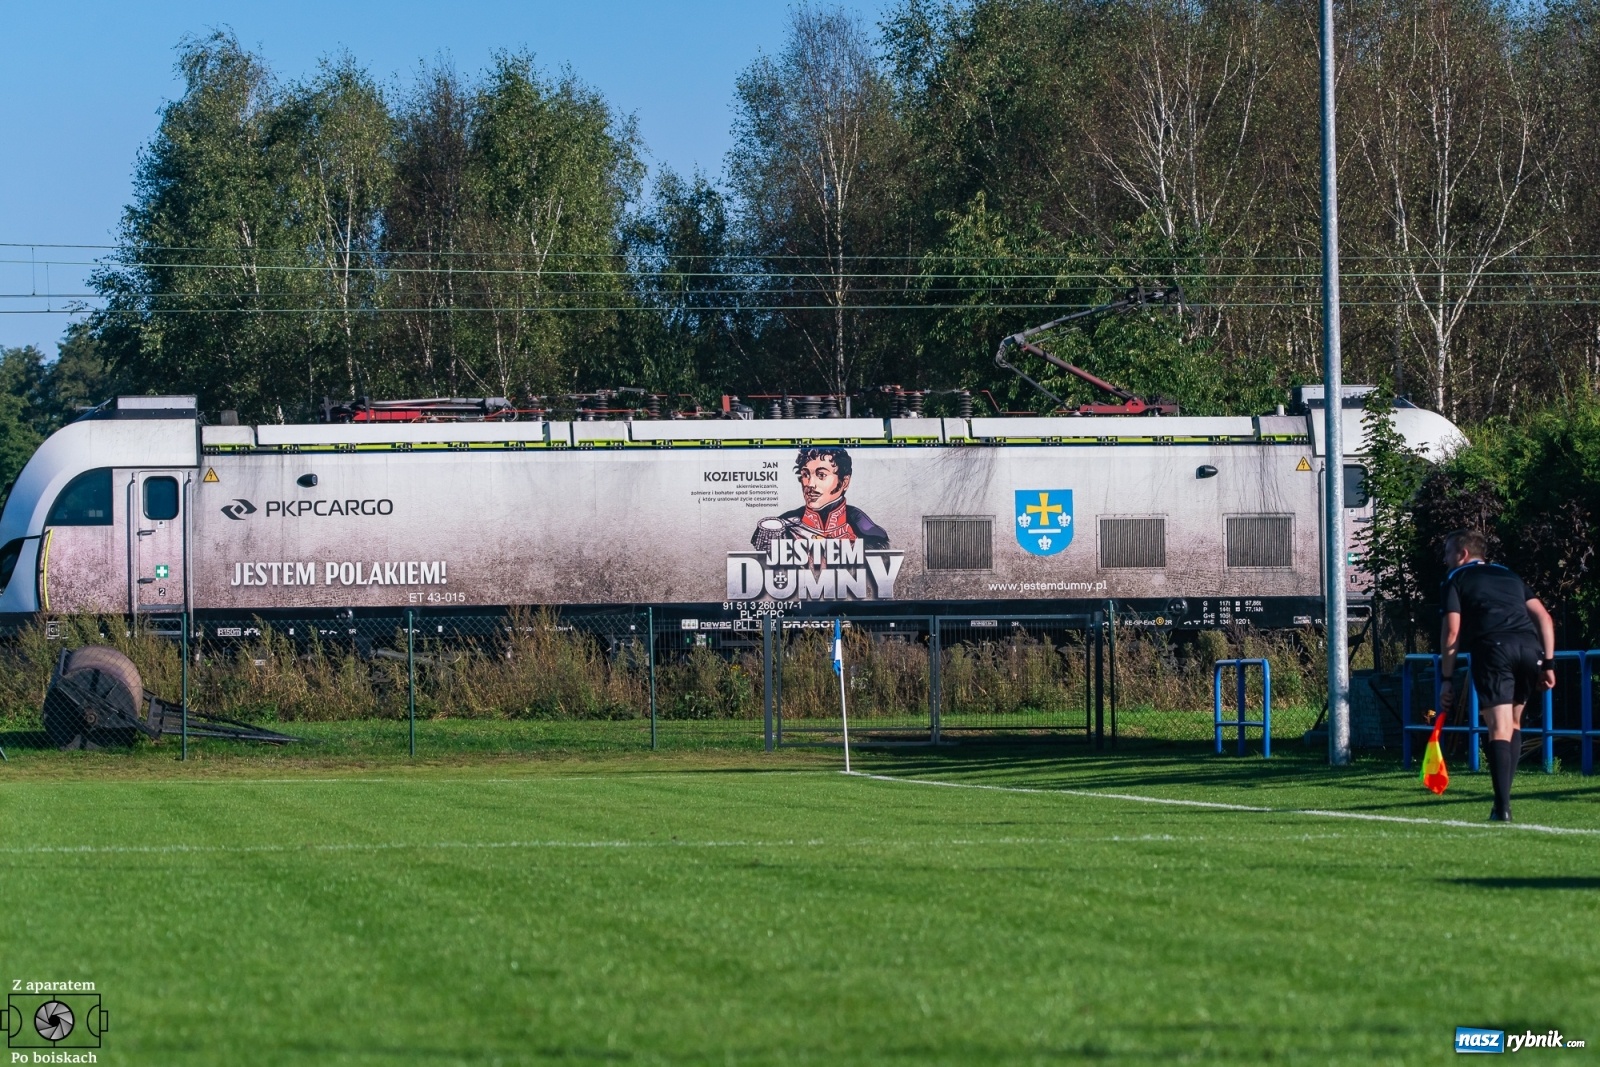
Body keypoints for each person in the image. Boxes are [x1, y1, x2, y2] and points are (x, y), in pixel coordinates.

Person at [1437, 529, 1557, 822]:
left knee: (1498, 727)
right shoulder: (1509, 575)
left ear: (1462, 554)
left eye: (1448, 552)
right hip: (1529, 648)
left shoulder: (1456, 579)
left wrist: (1447, 679)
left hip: (1494, 649)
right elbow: (1544, 617)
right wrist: (1549, 663)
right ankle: (1503, 801)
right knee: (1514, 724)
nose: (1445, 558)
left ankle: (1502, 807)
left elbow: (1452, 632)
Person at [750, 446, 890, 551]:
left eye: (821, 475)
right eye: (805, 475)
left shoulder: (863, 526)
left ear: (844, 482)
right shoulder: (782, 524)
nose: (810, 484)